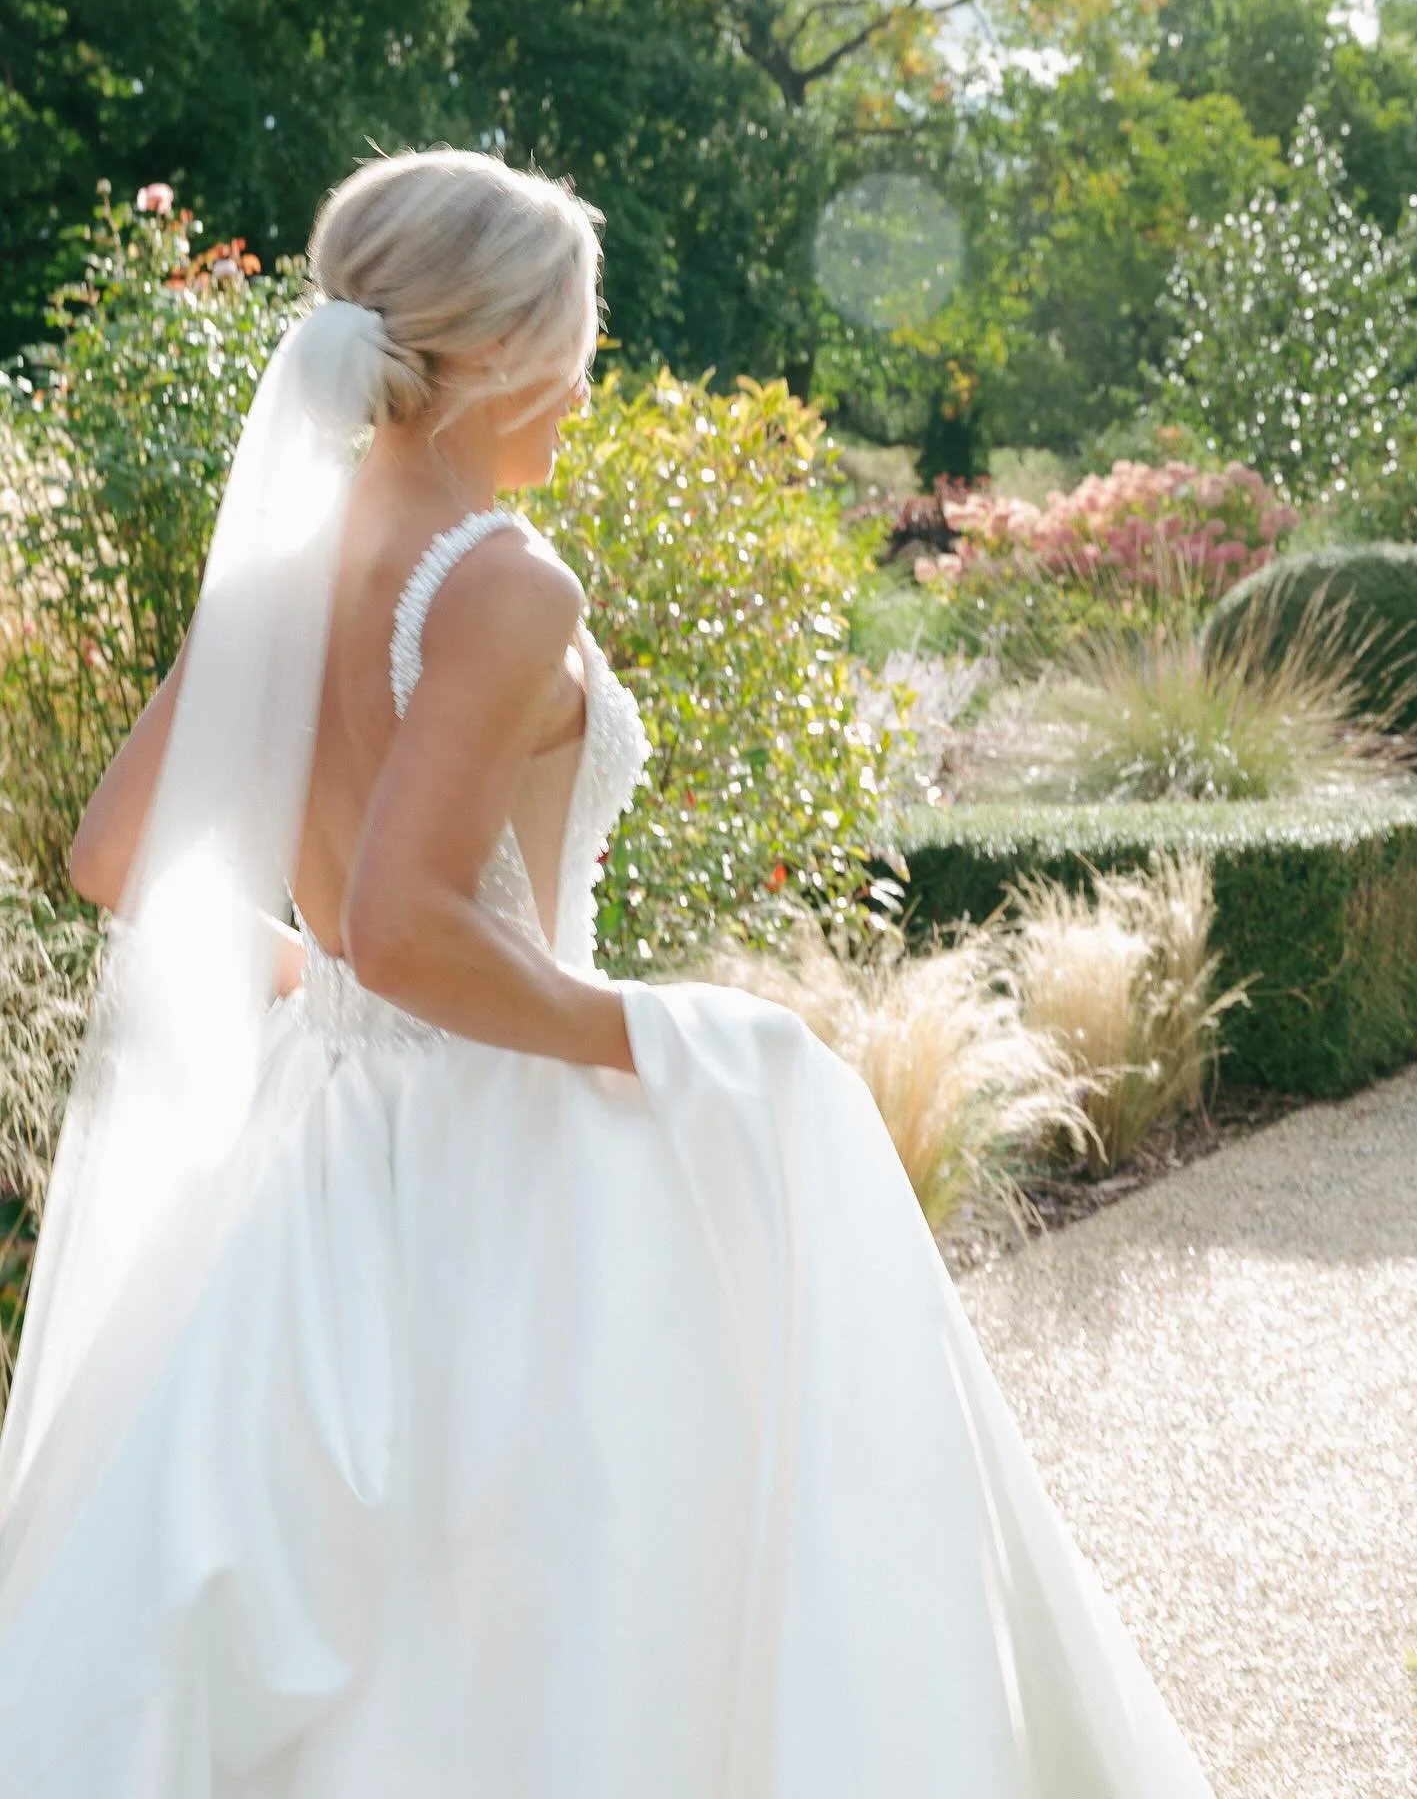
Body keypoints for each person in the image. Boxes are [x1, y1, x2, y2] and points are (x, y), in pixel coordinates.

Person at [0, 148, 1218, 1796]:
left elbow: (114, 859)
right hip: (511, 1153)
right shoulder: (504, 582)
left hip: (315, 1162)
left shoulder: (283, 568)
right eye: (580, 345)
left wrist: (317, 989)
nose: (587, 385)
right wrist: (669, 1041)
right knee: (566, 1598)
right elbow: (415, 922)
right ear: (497, 351)